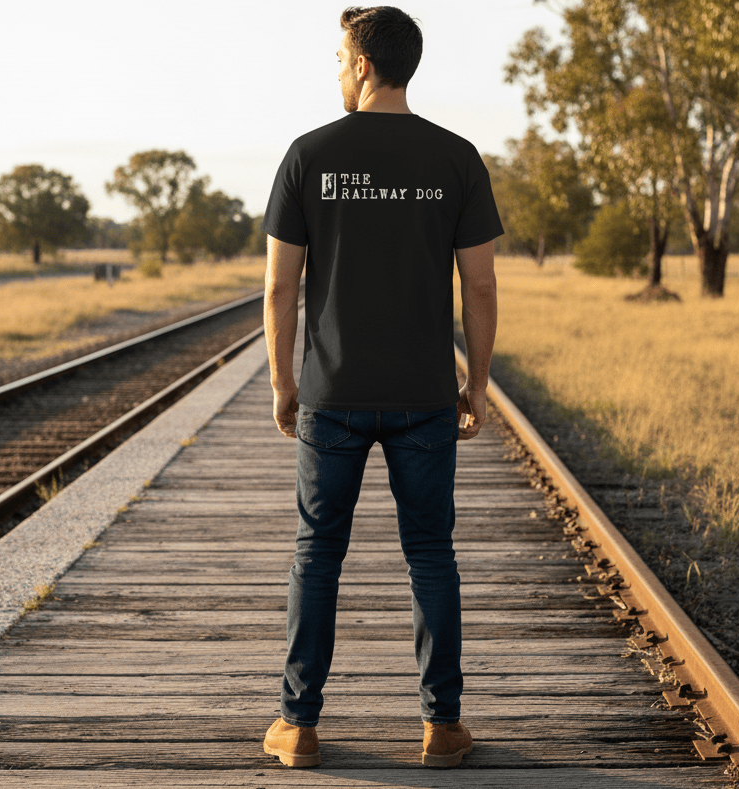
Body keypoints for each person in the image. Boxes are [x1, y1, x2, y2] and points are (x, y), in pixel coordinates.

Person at [261, 5, 502, 769]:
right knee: (430, 553)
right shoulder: (456, 158)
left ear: (364, 64)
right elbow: (482, 286)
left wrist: (282, 385)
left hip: (329, 391)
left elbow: (278, 289)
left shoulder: (307, 155)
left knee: (316, 554)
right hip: (424, 393)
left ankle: (298, 725)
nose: (335, 69)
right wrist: (480, 384)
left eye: (338, 57)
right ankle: (442, 725)